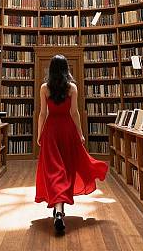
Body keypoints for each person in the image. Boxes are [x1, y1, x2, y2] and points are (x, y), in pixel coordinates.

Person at [35, 55, 108, 233]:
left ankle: (58, 211)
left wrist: (39, 134)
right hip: (67, 130)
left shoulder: (44, 88)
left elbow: (42, 114)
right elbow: (74, 113)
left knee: (54, 170)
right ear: (66, 69)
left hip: (51, 131)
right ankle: (59, 210)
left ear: (50, 70)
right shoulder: (72, 88)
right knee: (66, 169)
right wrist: (80, 134)